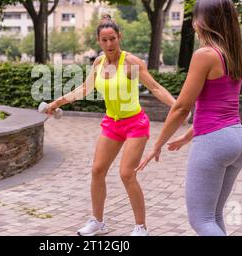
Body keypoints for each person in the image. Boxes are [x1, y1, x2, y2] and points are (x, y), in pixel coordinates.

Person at [47, 15, 177, 236]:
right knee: (97, 171)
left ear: (119, 37)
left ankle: (140, 227)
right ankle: (97, 222)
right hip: (111, 123)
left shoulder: (131, 63)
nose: (109, 44)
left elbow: (155, 88)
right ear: (98, 41)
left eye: (112, 39)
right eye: (104, 40)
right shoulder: (98, 63)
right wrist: (58, 101)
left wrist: (178, 106)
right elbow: (85, 89)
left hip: (135, 123)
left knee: (127, 174)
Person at [136, 0, 242, 236]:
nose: (193, 23)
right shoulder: (238, 56)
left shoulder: (205, 55)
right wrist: (187, 138)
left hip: (215, 142)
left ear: (206, 21)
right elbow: (219, 106)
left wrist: (157, 144)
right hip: (238, 139)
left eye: (196, 17)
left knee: (201, 220)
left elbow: (181, 107)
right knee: (214, 216)